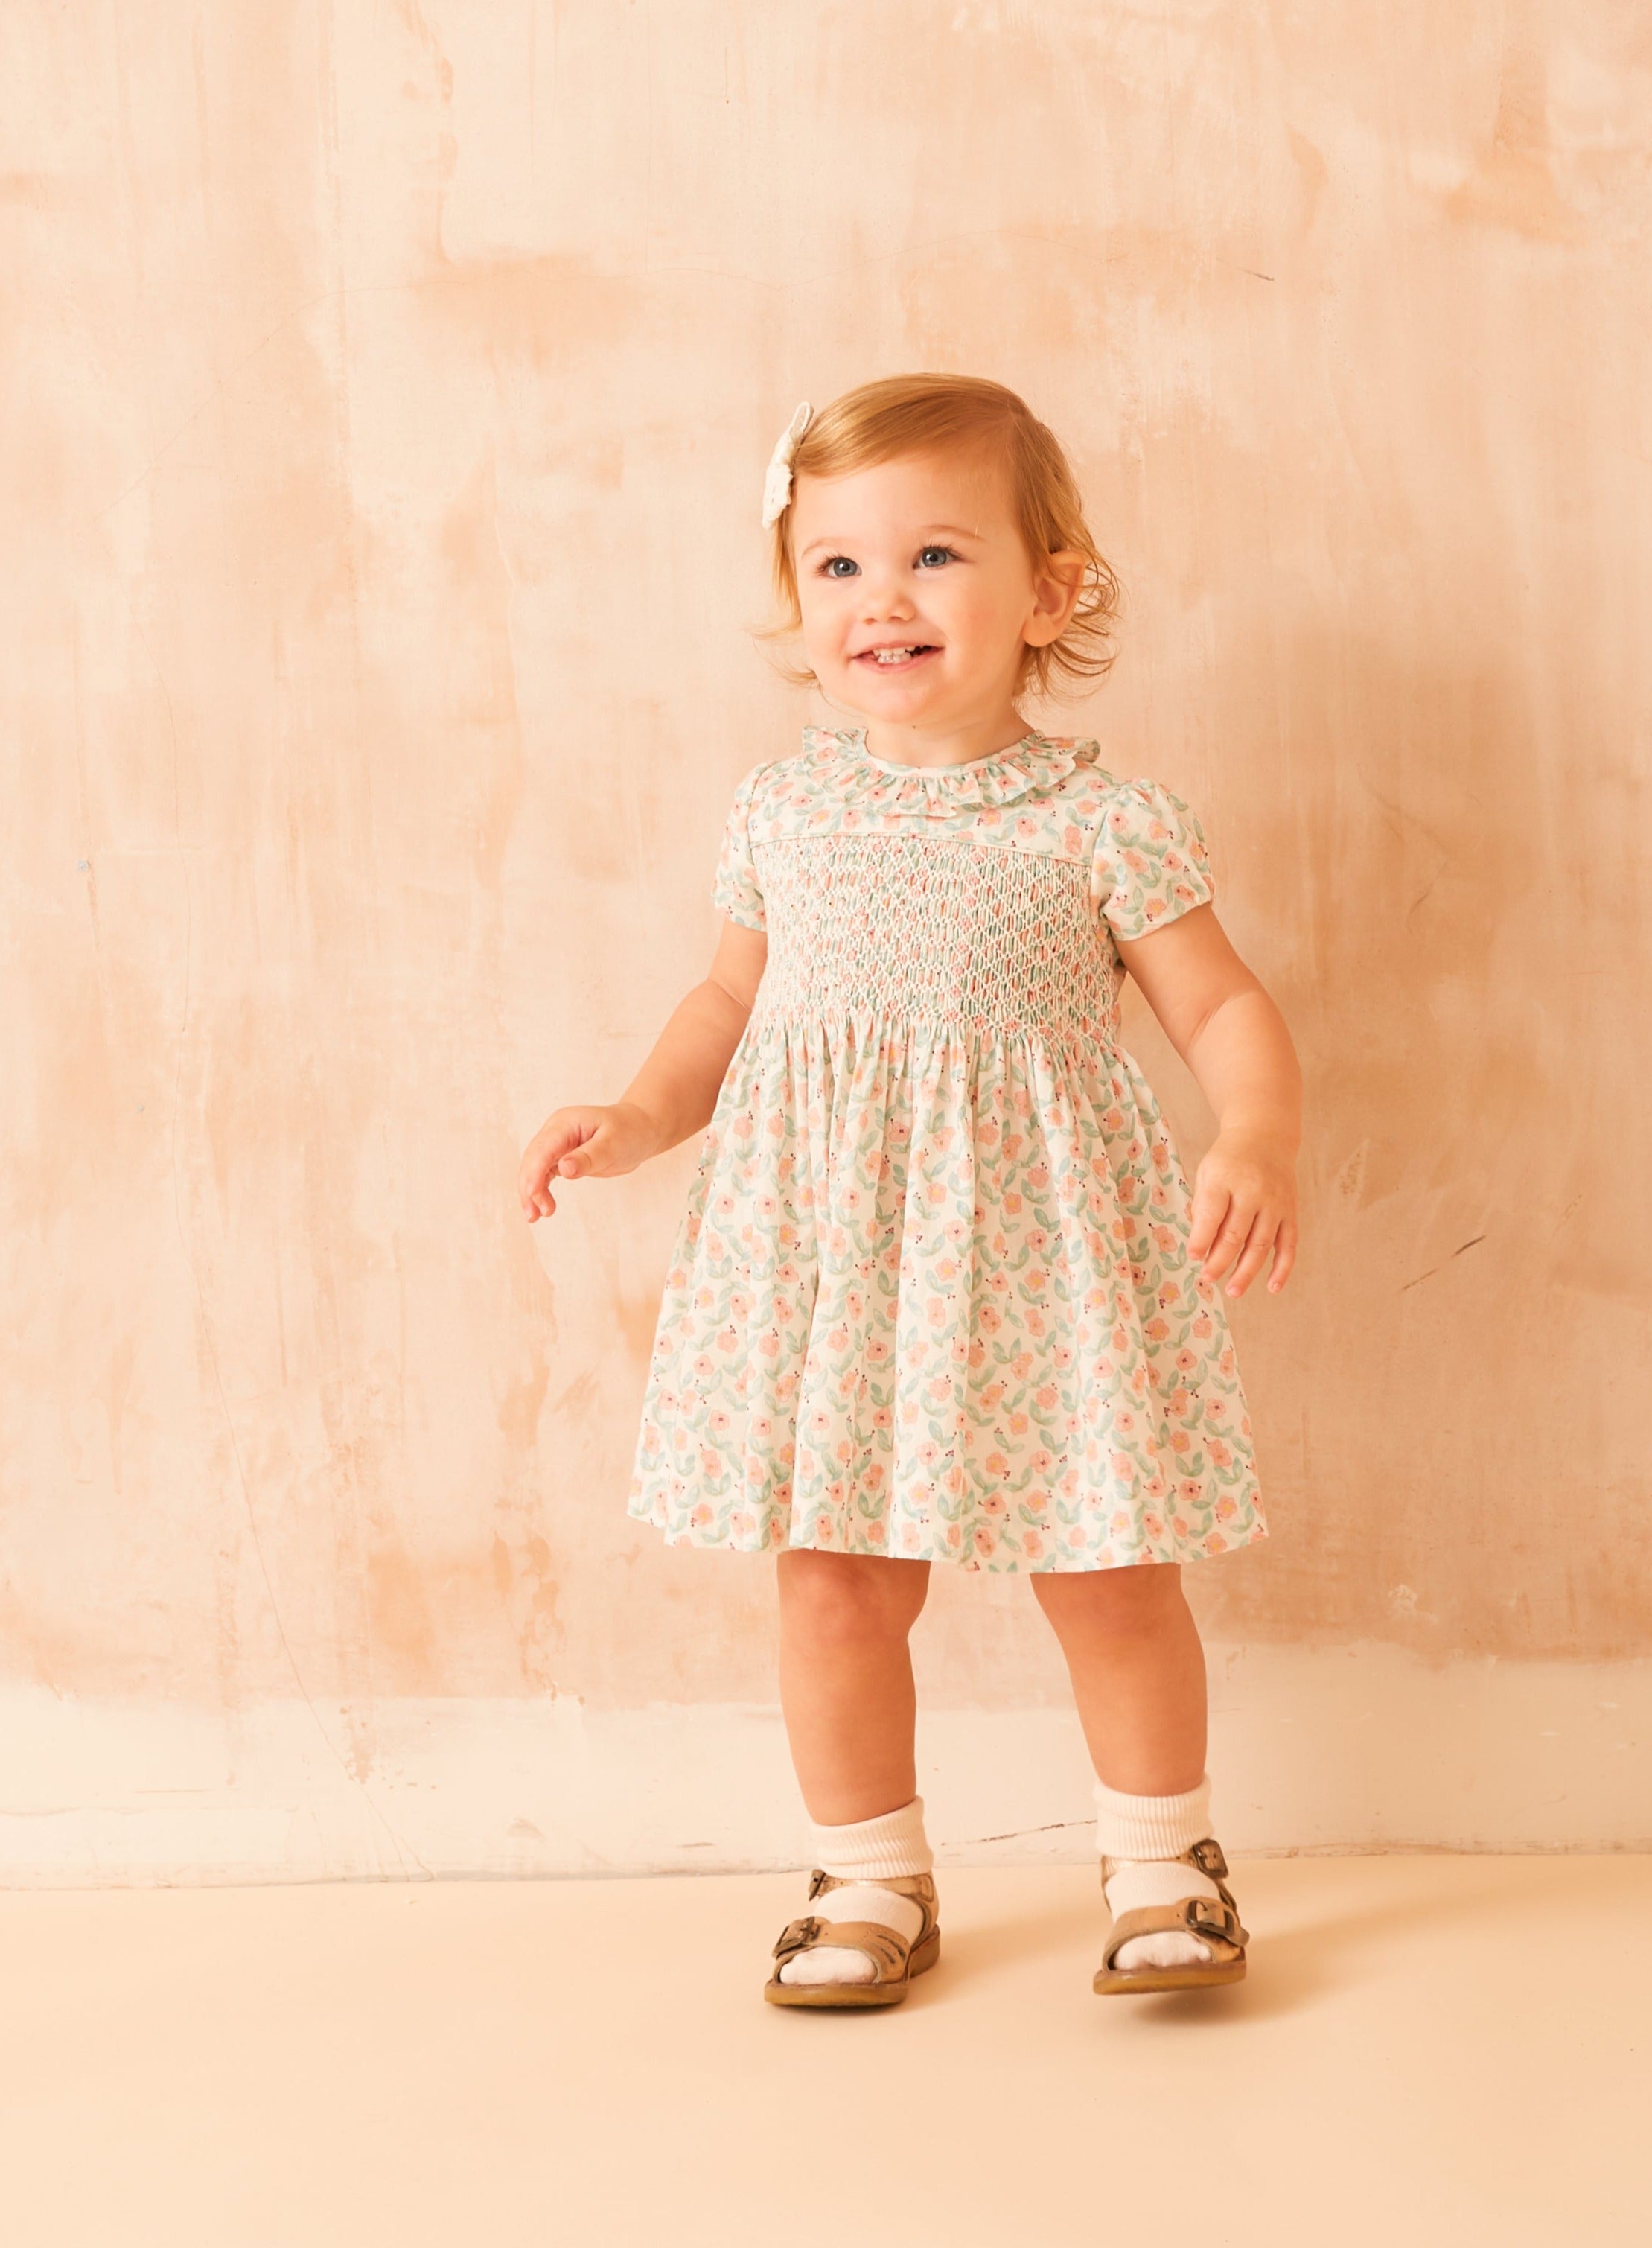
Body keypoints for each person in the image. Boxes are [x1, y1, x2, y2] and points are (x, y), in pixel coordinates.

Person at [518, 373, 1301, 2005]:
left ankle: (1164, 1860)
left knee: (1112, 1570)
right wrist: (639, 1112)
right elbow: (725, 1008)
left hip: (1040, 1265)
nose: (883, 600)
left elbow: (1219, 1003)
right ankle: (869, 1871)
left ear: (1050, 590)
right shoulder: (785, 807)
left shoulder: (1101, 820)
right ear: (796, 599)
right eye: (838, 567)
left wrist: (1253, 1133)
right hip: (835, 1268)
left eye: (936, 555)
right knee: (832, 1583)